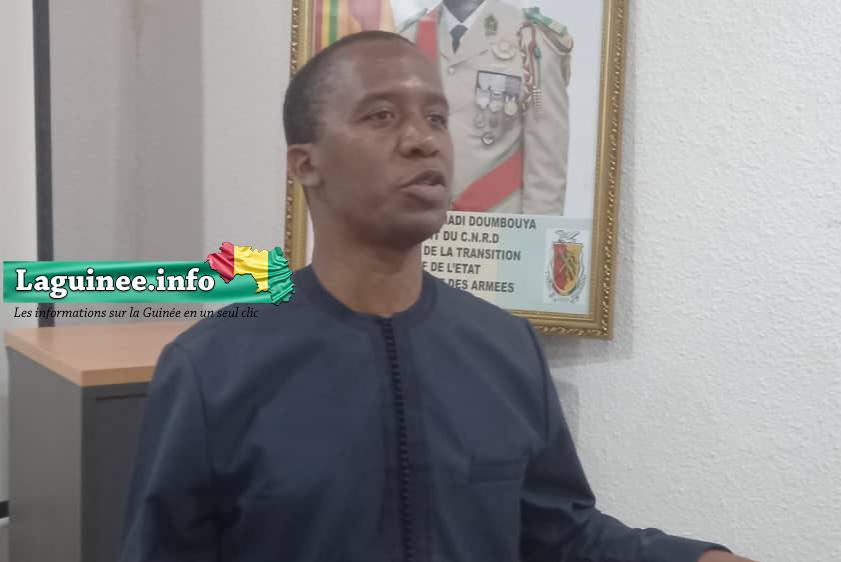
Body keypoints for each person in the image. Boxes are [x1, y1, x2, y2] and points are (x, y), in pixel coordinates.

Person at [119, 31, 756, 562]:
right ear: (305, 164)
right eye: (381, 116)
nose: (423, 140)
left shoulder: (505, 348)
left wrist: (695, 558)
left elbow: (558, 536)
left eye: (436, 118)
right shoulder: (213, 368)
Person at [399, 0, 572, 215]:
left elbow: (546, 165)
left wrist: (536, 232)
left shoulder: (530, 40)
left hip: (499, 222)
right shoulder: (406, 39)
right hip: (418, 220)